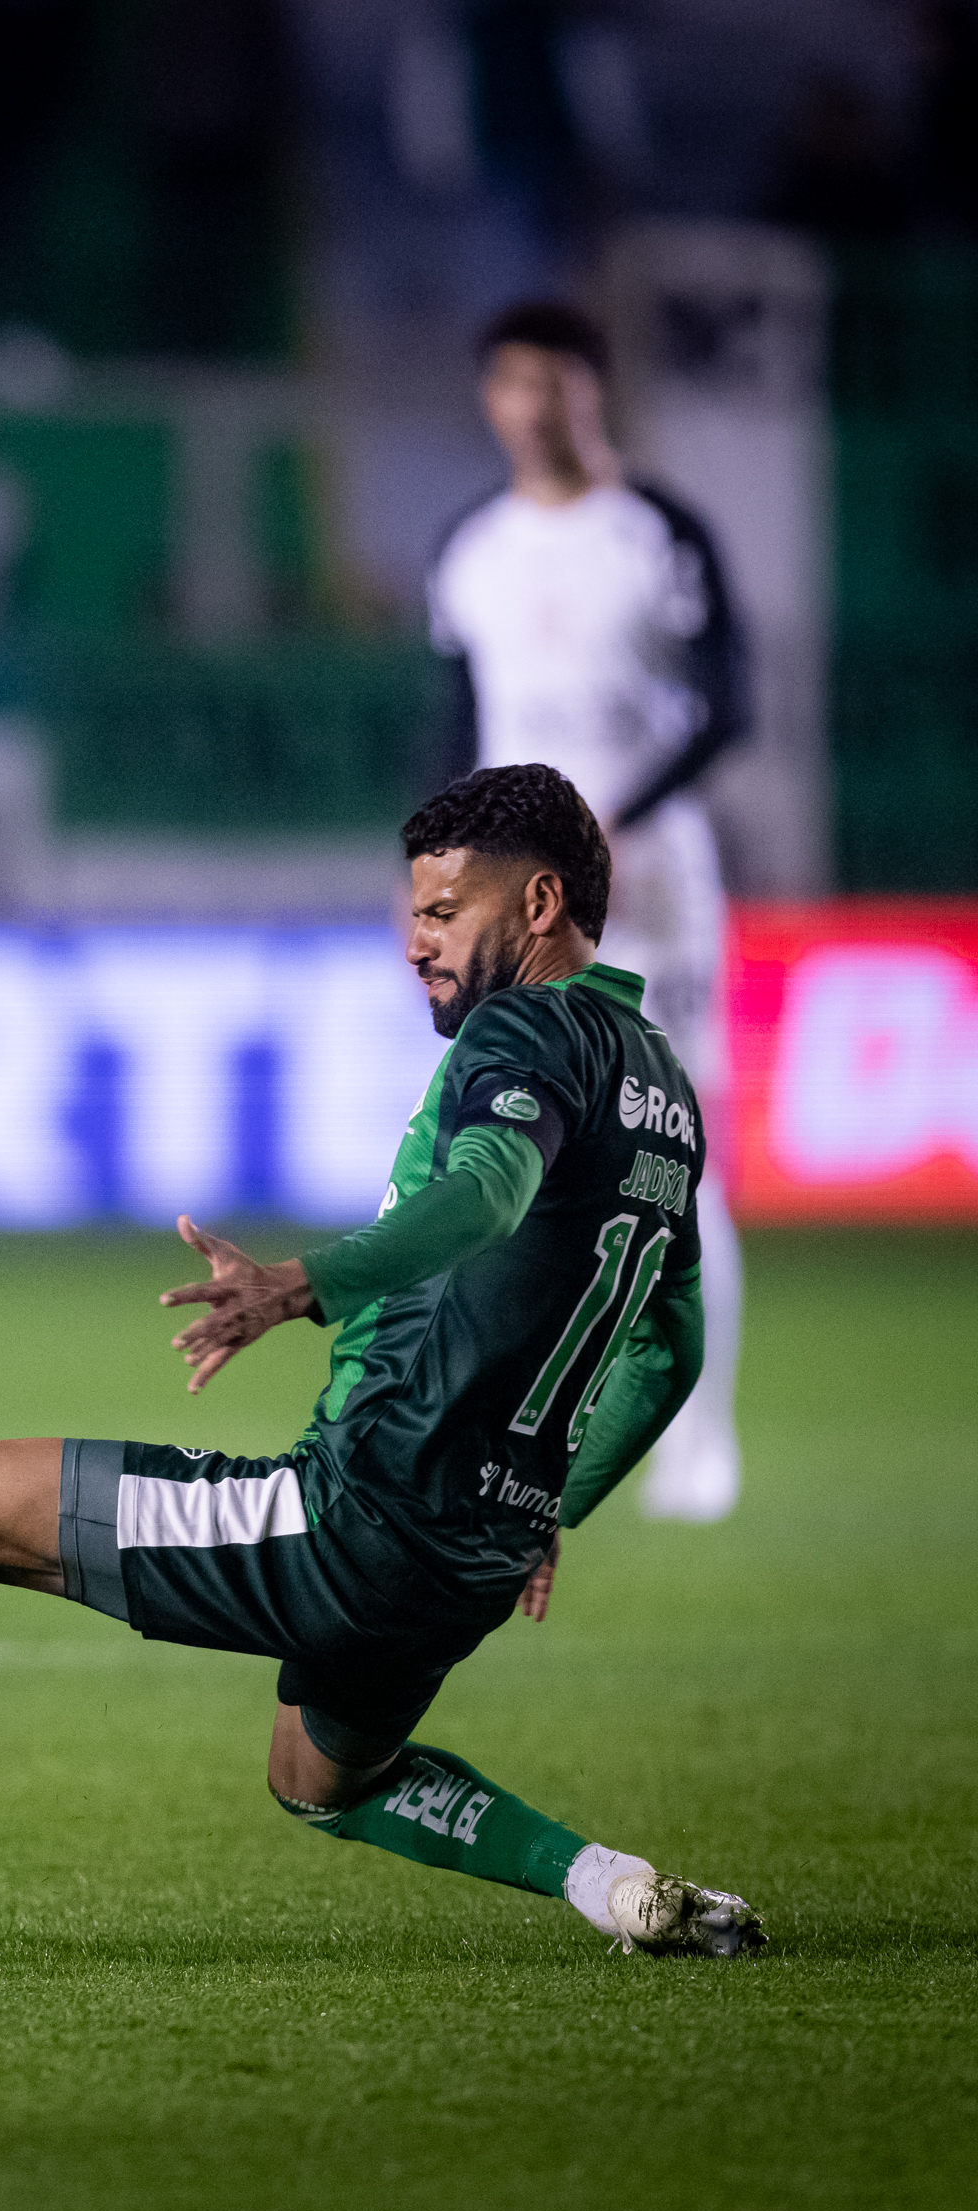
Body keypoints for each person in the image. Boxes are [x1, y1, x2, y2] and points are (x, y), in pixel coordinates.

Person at [0, 764, 767, 1969]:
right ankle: (611, 1886)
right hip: (472, 1558)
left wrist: (301, 1284)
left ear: (542, 903)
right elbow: (672, 1349)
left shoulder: (528, 1029)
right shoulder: (664, 1083)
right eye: (413, 912)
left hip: (360, 1518)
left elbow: (489, 1193)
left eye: (444, 913)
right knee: (323, 1776)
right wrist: (547, 1509)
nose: (414, 944)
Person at [429, 299, 753, 1521]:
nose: (537, 404)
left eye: (558, 381)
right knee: (499, 1156)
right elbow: (456, 728)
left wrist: (623, 810)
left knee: (675, 1157)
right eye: (514, 382)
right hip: (519, 899)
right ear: (490, 398)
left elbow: (731, 706)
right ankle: (498, 1438)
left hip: (654, 884)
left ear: (596, 391)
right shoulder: (472, 548)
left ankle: (697, 1441)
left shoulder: (659, 533)